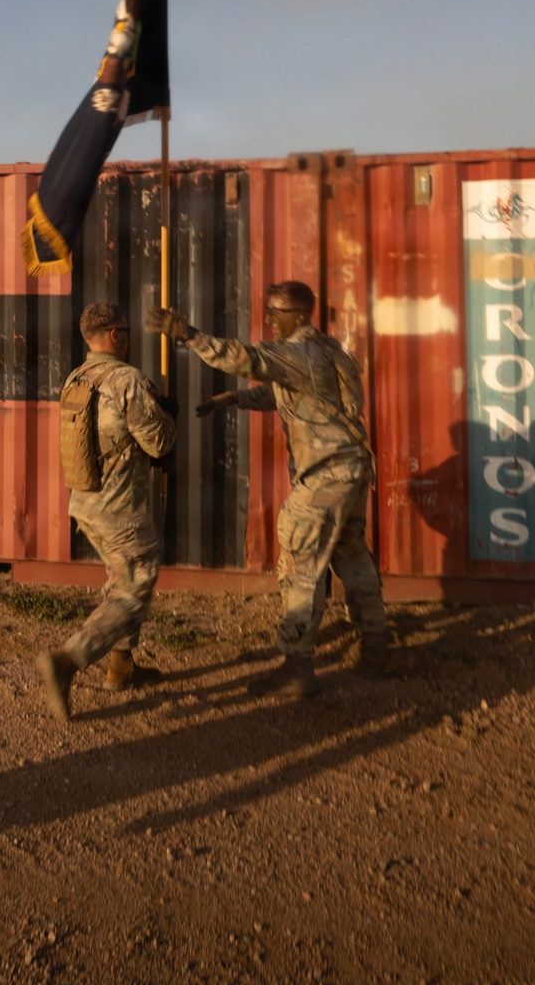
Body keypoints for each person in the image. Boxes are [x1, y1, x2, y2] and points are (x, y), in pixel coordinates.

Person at [145, 281, 389, 698]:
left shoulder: (297, 351)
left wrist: (186, 333)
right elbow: (292, 394)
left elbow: (247, 359)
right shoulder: (327, 350)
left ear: (299, 314)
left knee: (300, 558)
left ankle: (297, 667)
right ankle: (379, 648)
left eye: (276, 312)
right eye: (268, 310)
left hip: (326, 472)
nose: (270, 318)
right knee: (350, 552)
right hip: (350, 467)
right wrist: (235, 400)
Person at [38, 303, 178, 722]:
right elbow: (159, 445)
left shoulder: (77, 378)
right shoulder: (127, 381)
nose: (130, 335)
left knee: (121, 580)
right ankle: (68, 660)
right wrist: (168, 416)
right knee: (133, 592)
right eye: (127, 329)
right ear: (115, 335)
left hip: (86, 504)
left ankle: (122, 667)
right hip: (122, 511)